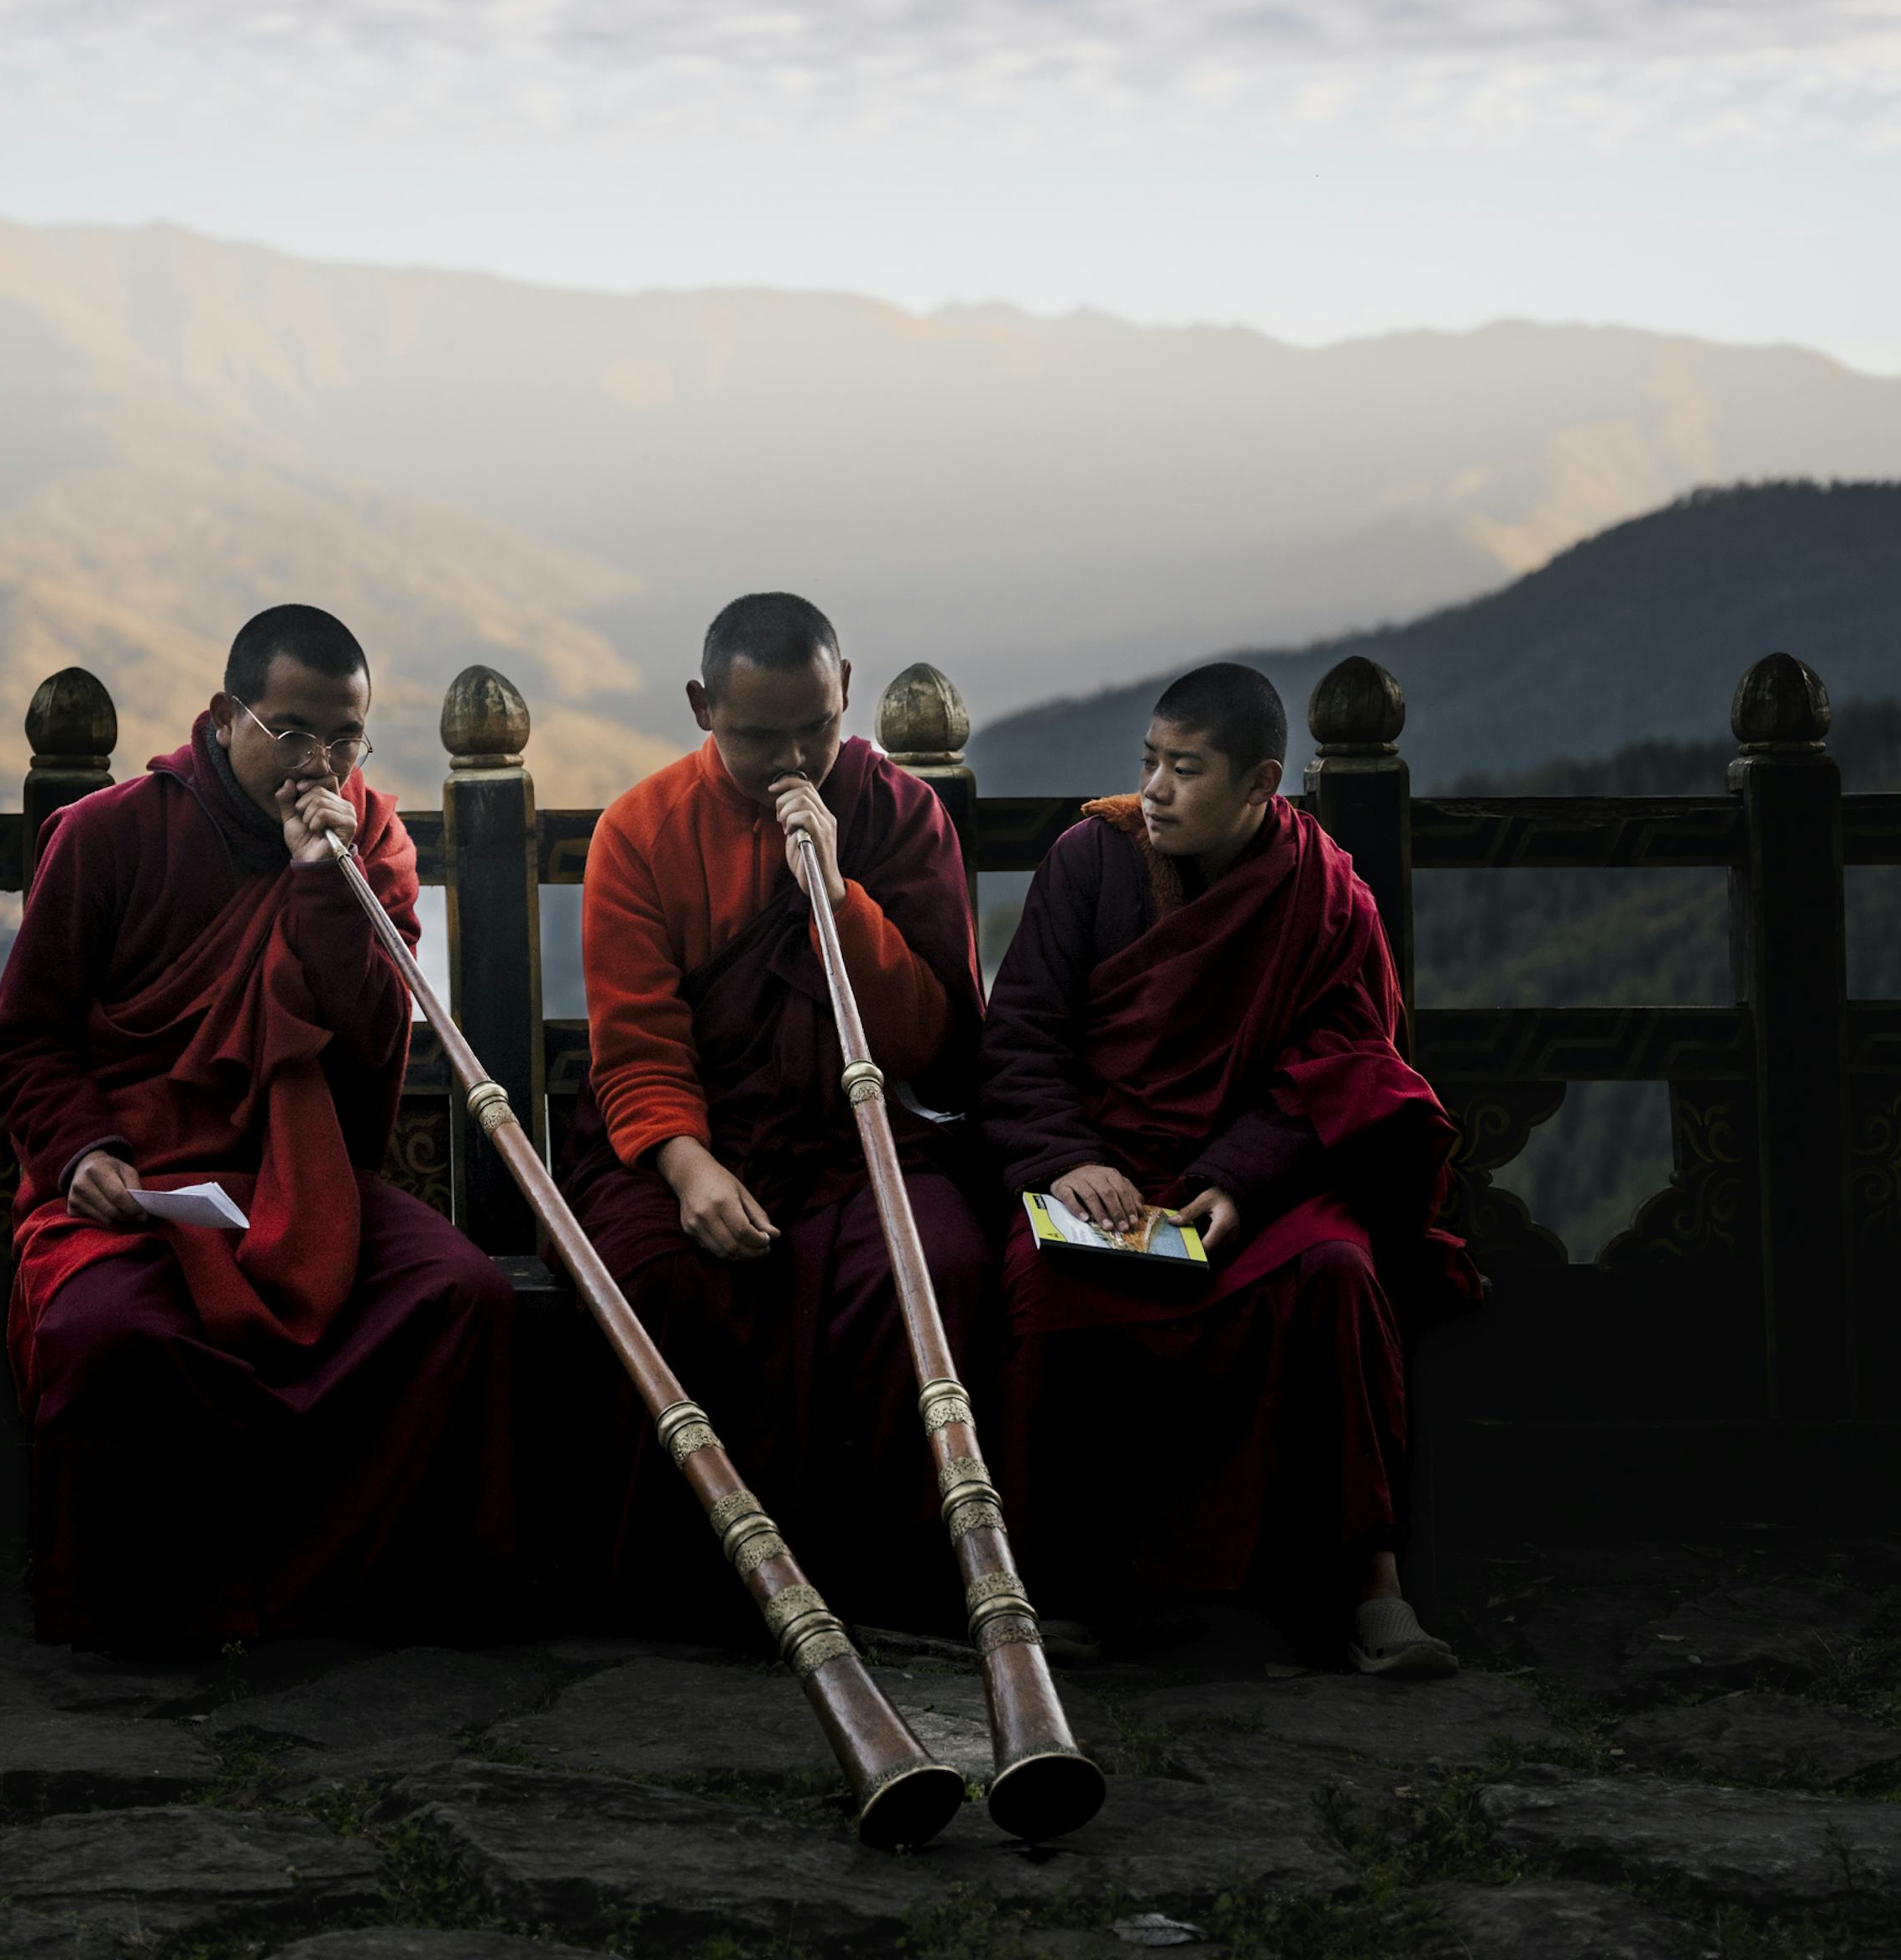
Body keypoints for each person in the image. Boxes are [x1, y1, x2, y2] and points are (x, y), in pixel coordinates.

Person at [0, 605, 517, 1653]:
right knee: (110, 1339)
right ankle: (154, 1609)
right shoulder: (109, 836)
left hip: (303, 1174)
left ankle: (359, 1593)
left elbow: (370, 1051)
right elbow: (27, 1038)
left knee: (464, 1299)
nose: (320, 763)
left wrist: (326, 886)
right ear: (228, 716)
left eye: (347, 739)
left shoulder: (371, 845)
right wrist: (83, 1149)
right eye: (293, 732)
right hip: (140, 1186)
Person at [976, 662, 1484, 1675]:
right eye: (1150, 762)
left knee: (1338, 1277)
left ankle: (1369, 1589)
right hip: (1109, 1179)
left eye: (1186, 769)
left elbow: (1343, 1065)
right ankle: (1064, 1584)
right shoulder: (1090, 864)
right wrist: (1072, 1159)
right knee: (1047, 1283)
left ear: (1260, 783)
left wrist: (1241, 1179)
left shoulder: (1323, 894)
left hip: (1262, 1186)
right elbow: (1021, 1039)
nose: (1154, 790)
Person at [558, 591, 989, 1632]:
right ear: (703, 707)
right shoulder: (643, 830)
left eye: (818, 727)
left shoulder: (897, 815)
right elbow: (639, 1040)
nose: (795, 758)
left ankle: (894, 1586)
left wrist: (839, 896)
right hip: (688, 1136)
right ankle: (694, 1598)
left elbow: (932, 1042)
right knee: (660, 1276)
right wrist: (688, 1166)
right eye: (758, 734)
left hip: (859, 1138)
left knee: (940, 1271)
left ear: (846, 695)